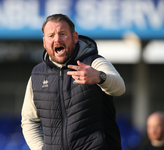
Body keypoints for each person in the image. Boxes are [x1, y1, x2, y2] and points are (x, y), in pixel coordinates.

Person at [21, 13, 126, 150]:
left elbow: (120, 88)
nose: (57, 39)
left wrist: (99, 77)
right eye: (51, 36)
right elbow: (29, 121)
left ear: (75, 37)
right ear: (44, 42)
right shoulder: (37, 74)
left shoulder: (94, 62)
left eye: (63, 34)